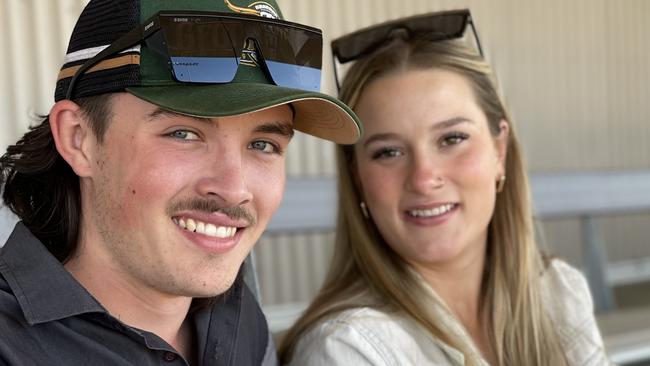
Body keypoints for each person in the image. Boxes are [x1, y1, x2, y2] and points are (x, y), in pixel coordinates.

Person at [0, 0, 360, 365]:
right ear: (80, 138)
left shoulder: (235, 315)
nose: (234, 189)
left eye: (262, 144)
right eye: (184, 133)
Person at [279, 10, 611, 366]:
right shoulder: (345, 348)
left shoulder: (559, 292)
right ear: (357, 177)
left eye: (452, 138)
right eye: (388, 152)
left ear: (500, 152)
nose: (424, 178)